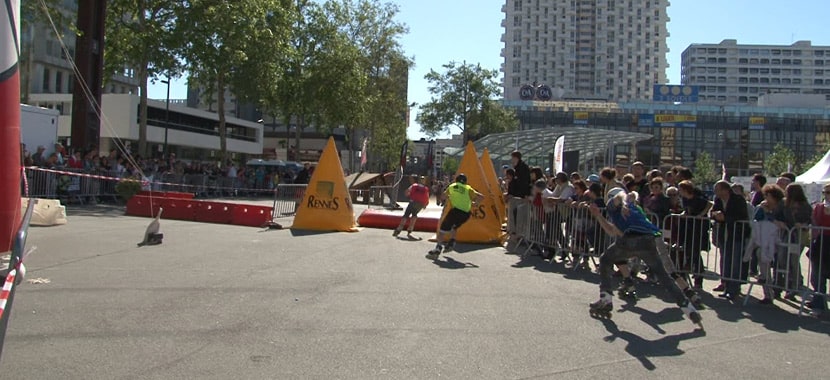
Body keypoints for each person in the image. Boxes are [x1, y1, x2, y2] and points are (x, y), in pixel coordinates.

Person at [586, 188, 703, 329]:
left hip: (631, 240)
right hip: (648, 241)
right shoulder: (634, 209)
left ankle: (606, 299)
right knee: (663, 275)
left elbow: (622, 196)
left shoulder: (615, 204)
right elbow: (613, 231)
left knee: (605, 259)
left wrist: (622, 203)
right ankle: (689, 309)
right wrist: (598, 216)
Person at [427, 174, 484, 260]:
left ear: (456, 180)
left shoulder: (452, 186)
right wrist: (475, 204)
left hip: (455, 211)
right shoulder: (468, 188)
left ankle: (437, 248)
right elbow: (481, 196)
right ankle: (452, 241)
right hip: (466, 214)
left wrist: (449, 197)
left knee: (442, 230)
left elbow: (443, 196)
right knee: (454, 226)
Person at [711, 180, 750, 301]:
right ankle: (726, 287)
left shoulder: (738, 200)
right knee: (725, 261)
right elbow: (713, 212)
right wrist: (715, 215)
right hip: (724, 234)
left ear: (725, 190)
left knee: (735, 261)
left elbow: (742, 215)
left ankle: (734, 289)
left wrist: (726, 218)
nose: (715, 192)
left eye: (717, 189)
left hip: (736, 234)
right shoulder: (718, 200)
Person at [808, 183, 830, 315]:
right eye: (826, 192)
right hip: (820, 243)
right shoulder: (819, 207)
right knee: (818, 275)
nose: (827, 195)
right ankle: (818, 304)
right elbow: (815, 223)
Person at [393, 175, 430, 239]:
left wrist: (407, 196)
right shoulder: (426, 189)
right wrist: (425, 205)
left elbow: (407, 191)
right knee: (414, 215)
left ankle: (399, 228)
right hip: (420, 204)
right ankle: (410, 229)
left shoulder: (414, 185)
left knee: (406, 215)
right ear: (425, 181)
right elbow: (427, 197)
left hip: (413, 202)